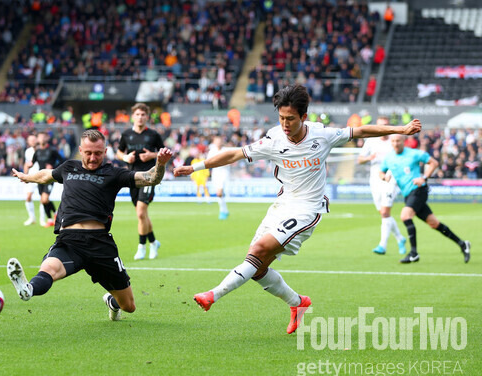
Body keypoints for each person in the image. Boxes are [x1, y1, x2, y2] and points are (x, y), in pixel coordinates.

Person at [173, 85, 422, 334]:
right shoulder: (273, 139)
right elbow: (234, 155)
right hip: (282, 205)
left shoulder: (322, 135)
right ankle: (298, 303)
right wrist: (196, 167)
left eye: (290, 118)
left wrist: (400, 129)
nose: (285, 124)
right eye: (281, 118)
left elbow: (361, 131)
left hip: (308, 210)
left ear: (303, 117)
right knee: (257, 266)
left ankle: (212, 295)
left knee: (258, 251)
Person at [8, 129, 172, 321]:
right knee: (49, 269)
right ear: (80, 150)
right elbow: (46, 175)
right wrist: (26, 177)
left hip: (100, 245)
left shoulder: (114, 173)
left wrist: (160, 164)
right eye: (88, 153)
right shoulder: (69, 167)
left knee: (129, 306)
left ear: (105, 151)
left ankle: (113, 302)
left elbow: (151, 178)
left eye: (98, 153)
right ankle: (28, 288)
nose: (93, 158)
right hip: (70, 242)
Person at [381, 135, 471, 264]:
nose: (396, 143)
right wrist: (384, 177)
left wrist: (424, 178)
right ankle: (463, 244)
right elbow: (381, 172)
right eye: (393, 141)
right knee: (434, 223)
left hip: (419, 190)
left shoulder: (414, 153)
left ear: (403, 141)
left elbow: (434, 163)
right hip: (408, 194)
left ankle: (413, 253)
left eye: (398, 141)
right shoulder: (388, 158)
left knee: (405, 216)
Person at [117, 103, 165, 260]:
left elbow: (164, 153)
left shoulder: (153, 135)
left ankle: (142, 247)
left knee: (140, 212)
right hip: (132, 177)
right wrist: (125, 157)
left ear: (147, 117)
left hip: (149, 177)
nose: (140, 117)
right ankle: (153, 242)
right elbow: (119, 152)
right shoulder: (126, 135)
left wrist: (152, 156)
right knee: (142, 215)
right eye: (137, 114)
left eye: (143, 115)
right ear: (133, 116)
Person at [357, 116, 406, 255]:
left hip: (391, 179)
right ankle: (400, 238)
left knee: (385, 212)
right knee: (383, 213)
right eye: (379, 125)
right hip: (375, 179)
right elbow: (360, 159)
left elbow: (402, 157)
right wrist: (368, 158)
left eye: (384, 125)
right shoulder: (371, 141)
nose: (381, 128)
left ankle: (382, 245)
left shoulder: (395, 140)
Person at [32, 131, 63, 227]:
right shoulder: (37, 151)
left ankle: (54, 215)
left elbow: (62, 161)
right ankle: (51, 218)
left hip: (49, 177)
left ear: (46, 138)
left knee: (45, 199)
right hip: (40, 177)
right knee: (43, 200)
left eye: (43, 137)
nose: (41, 139)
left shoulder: (52, 150)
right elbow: (32, 163)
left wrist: (53, 167)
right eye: (39, 137)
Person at [22, 133, 46, 226]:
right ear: (28, 142)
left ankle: (42, 219)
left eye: (33, 139)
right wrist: (25, 176)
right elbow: (26, 163)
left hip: (41, 176)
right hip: (31, 176)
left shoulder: (42, 150)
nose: (32, 141)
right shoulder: (27, 151)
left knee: (42, 198)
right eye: (30, 140)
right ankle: (32, 218)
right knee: (28, 197)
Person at [207, 135, 232, 219]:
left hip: (224, 172)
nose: (218, 142)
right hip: (215, 173)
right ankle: (224, 210)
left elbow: (230, 161)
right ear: (214, 142)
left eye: (219, 141)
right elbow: (208, 162)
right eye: (216, 141)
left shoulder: (225, 150)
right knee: (218, 194)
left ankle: (222, 211)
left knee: (219, 192)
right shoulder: (212, 151)